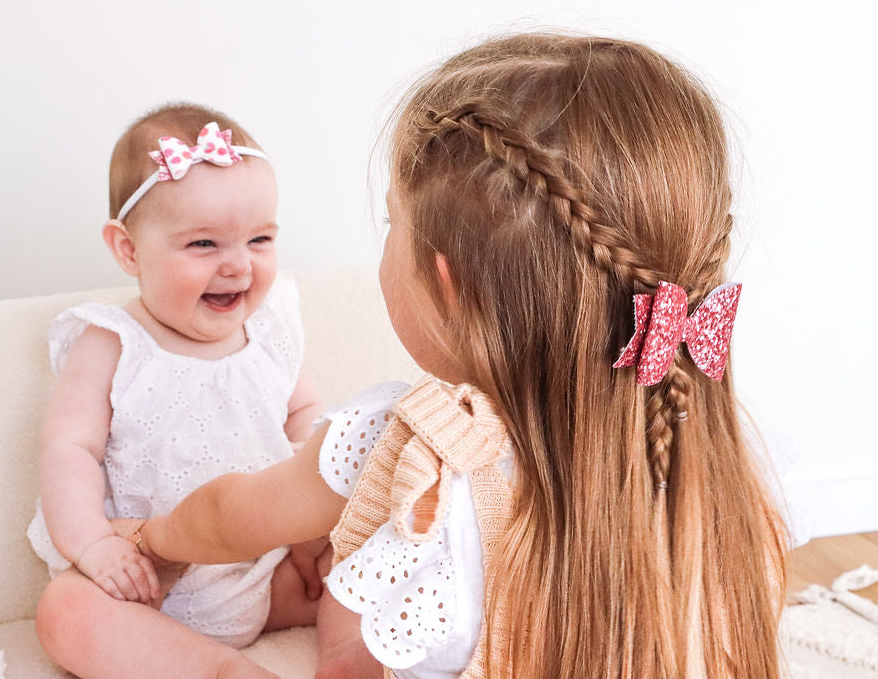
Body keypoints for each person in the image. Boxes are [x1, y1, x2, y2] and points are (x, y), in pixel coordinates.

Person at [113, 33, 790, 678]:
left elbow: (232, 517)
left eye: (392, 223)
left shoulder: (416, 439)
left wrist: (154, 538)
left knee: (72, 613)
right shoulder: (717, 452)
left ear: (446, 280)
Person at [28, 102, 330, 678]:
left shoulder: (269, 332)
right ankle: (221, 670)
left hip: (269, 570)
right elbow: (69, 450)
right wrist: (92, 546)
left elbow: (308, 417)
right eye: (203, 245)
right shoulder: (113, 343)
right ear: (129, 250)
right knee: (66, 612)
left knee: (374, 559)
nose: (238, 266)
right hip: (144, 575)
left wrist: (311, 524)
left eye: (260, 239)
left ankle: (348, 659)